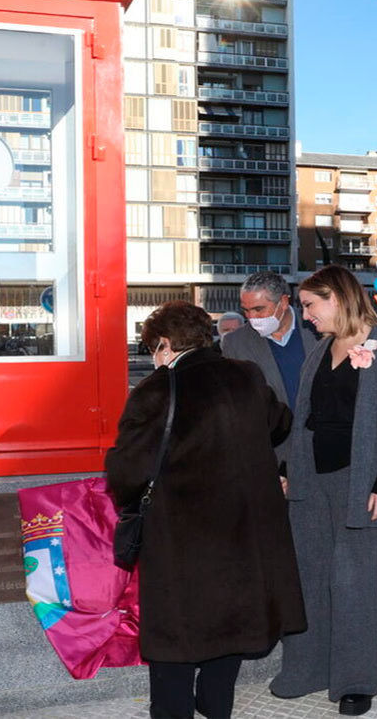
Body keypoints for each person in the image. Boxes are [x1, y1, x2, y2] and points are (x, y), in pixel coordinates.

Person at [105, 301, 305, 719]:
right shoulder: (246, 376)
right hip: (246, 532)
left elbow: (127, 470)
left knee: (176, 633)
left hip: (183, 537)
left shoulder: (158, 390)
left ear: (164, 343)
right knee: (230, 623)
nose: (154, 358)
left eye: (153, 348)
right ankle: (216, 708)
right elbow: (281, 423)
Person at [269, 265, 377, 717]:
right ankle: (306, 668)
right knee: (308, 577)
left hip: (359, 479)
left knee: (351, 582)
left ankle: (355, 680)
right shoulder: (320, 349)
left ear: (338, 298)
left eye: (311, 305)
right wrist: (289, 468)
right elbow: (303, 415)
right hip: (311, 478)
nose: (306, 315)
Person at [221, 271, 317, 416]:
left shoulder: (318, 330)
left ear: (283, 302)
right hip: (270, 436)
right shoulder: (235, 343)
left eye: (258, 309)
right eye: (245, 310)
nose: (251, 317)